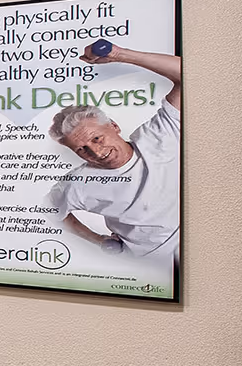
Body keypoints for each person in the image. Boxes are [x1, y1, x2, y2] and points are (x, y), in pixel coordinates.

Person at [46, 44, 180, 258]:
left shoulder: (158, 136)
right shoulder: (77, 185)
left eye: (97, 138)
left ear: (114, 126)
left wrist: (120, 55)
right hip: (154, 265)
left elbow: (187, 75)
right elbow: (50, 213)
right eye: (82, 150)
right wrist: (98, 240)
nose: (97, 153)